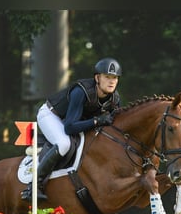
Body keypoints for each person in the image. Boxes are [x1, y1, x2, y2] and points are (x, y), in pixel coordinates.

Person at [21, 57, 122, 201]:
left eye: (115, 78)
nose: (112, 81)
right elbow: (69, 128)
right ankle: (34, 187)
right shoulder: (81, 91)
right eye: (107, 77)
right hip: (51, 115)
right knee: (64, 143)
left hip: (71, 121)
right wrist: (96, 121)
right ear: (97, 77)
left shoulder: (114, 99)